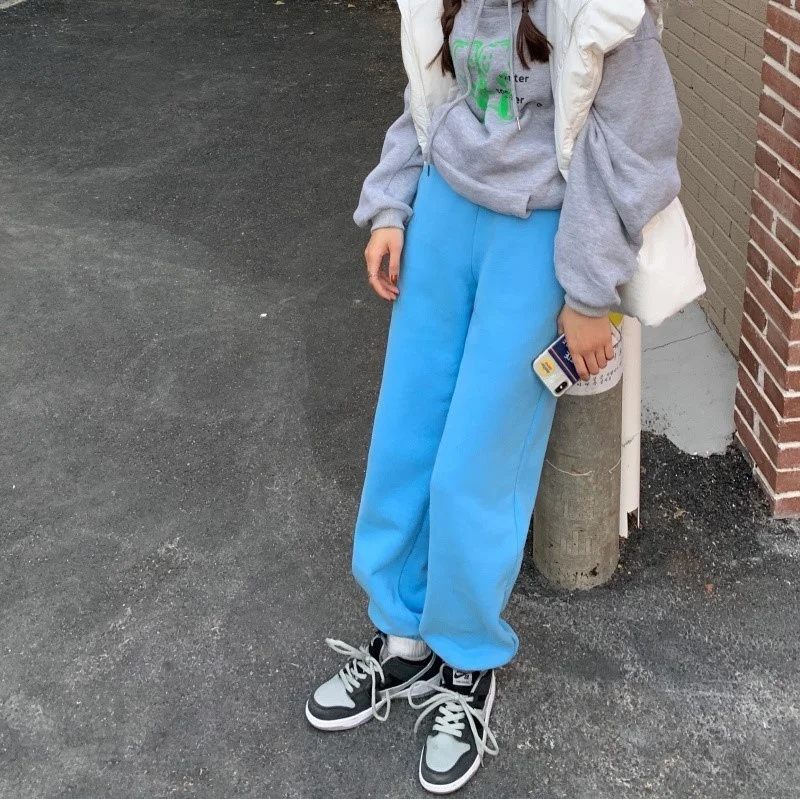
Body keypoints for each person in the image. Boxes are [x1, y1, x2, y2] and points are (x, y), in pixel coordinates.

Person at [306, 0, 681, 793]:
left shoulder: (605, 8)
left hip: (536, 233)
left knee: (479, 462)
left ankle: (466, 660)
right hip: (444, 210)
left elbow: (635, 145)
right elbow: (429, 92)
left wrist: (588, 293)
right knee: (404, 437)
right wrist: (391, 204)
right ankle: (402, 638)